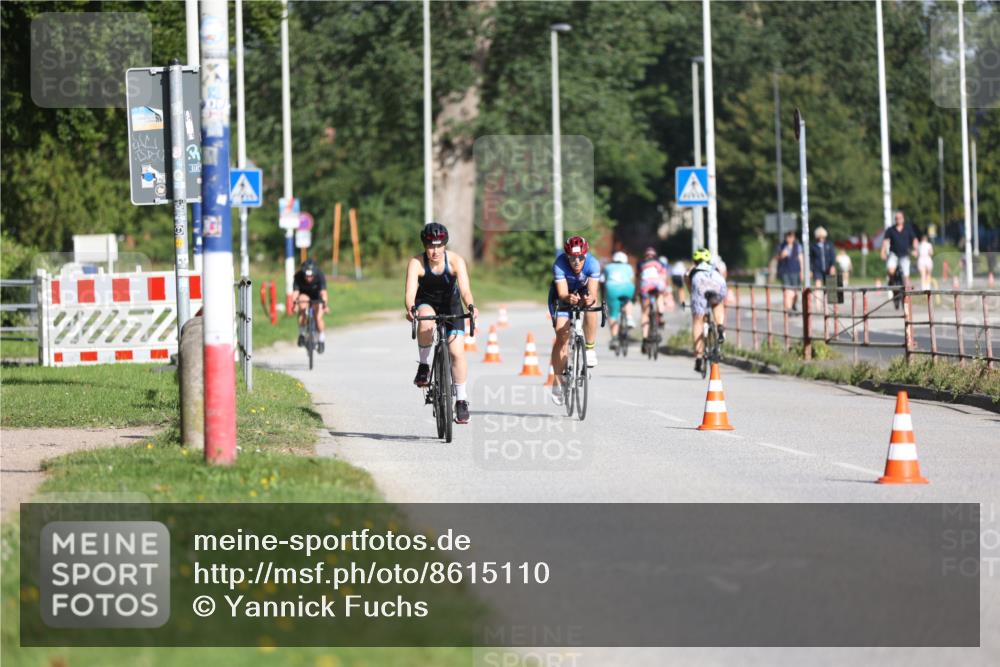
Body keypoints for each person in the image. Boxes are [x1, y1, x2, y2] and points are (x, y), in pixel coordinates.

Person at [404, 222, 477, 425]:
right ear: (424, 246)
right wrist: (411, 309)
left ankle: (461, 401)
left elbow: (465, 290)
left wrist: (471, 306)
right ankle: (424, 365)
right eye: (430, 246)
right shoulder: (417, 263)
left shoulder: (455, 261)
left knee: (457, 353)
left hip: (451, 305)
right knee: (426, 322)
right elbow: (409, 293)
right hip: (426, 303)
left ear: (444, 245)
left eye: (439, 245)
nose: (435, 251)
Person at [548, 236, 602, 405]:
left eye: (580, 258)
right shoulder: (559, 264)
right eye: (572, 258)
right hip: (563, 297)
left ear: (586, 255)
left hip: (583, 292)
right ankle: (557, 381)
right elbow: (562, 293)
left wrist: (589, 299)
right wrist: (568, 298)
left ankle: (590, 349)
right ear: (567, 256)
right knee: (561, 335)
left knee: (592, 306)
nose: (576, 262)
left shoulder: (593, 264)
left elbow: (593, 293)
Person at [685, 248, 728, 375]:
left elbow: (688, 282)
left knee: (698, 321)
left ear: (695, 261)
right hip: (717, 282)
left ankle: (699, 357)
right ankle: (720, 326)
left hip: (699, 283)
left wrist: (693, 297)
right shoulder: (714, 267)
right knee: (717, 304)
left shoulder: (692, 270)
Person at [292, 258, 329, 354]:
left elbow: (323, 292)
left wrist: (325, 305)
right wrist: (294, 304)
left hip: (316, 296)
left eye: (311, 276)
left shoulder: (320, 275)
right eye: (306, 276)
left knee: (318, 317)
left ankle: (321, 339)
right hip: (304, 295)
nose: (308, 278)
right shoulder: (298, 276)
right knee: (302, 308)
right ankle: (302, 334)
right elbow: (296, 292)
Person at [601, 251, 635, 350]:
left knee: (613, 314)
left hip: (612, 289)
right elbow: (632, 280)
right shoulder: (629, 267)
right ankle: (629, 318)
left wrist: (603, 296)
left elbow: (602, 281)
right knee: (628, 300)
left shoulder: (608, 267)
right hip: (627, 288)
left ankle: (614, 338)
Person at [636, 246, 669, 350]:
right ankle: (660, 315)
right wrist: (665, 291)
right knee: (660, 295)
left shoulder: (641, 263)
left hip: (645, 286)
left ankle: (645, 338)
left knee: (645, 313)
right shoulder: (660, 263)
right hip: (656, 284)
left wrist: (637, 293)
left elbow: (638, 279)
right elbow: (664, 277)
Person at [880, 210, 919, 290]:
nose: (898, 220)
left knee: (906, 276)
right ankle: (891, 281)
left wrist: (915, 250)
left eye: (900, 218)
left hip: (904, 255)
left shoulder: (908, 229)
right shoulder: (890, 229)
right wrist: (883, 251)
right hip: (894, 254)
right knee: (890, 271)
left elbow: (915, 240)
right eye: (896, 218)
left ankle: (907, 296)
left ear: (903, 219)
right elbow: (885, 241)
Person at [774, 230, 803, 311]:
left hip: (795, 271)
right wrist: (781, 256)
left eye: (791, 237)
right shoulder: (781, 246)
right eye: (788, 237)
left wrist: (802, 272)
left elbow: (801, 260)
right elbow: (776, 258)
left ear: (794, 238)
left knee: (795, 292)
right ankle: (789, 309)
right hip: (785, 271)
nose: (789, 239)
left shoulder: (798, 246)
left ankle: (793, 305)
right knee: (787, 291)